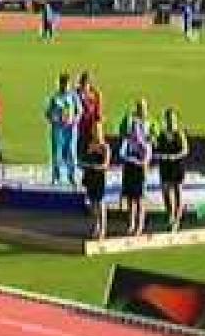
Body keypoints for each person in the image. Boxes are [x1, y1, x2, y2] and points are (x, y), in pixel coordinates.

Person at [119, 99, 154, 236]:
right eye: (133, 129)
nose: (135, 132)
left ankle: (140, 224)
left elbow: (148, 153)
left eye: (137, 130)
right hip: (129, 168)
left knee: (139, 197)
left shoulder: (144, 143)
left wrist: (142, 163)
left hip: (139, 168)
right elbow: (122, 153)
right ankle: (131, 223)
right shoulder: (128, 141)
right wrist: (130, 159)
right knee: (129, 197)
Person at [154, 108, 190, 232]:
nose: (170, 121)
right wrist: (159, 155)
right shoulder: (162, 134)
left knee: (177, 190)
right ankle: (170, 214)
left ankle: (177, 218)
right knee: (166, 191)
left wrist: (174, 156)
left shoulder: (179, 133)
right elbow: (156, 149)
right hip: (165, 166)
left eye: (172, 119)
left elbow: (185, 150)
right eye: (168, 118)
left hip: (177, 165)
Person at [45, 72, 83, 185]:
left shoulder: (73, 96)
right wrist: (54, 119)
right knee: (57, 154)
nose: (65, 86)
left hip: (71, 129)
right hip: (58, 129)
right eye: (63, 84)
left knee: (71, 152)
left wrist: (74, 120)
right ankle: (56, 176)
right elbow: (47, 113)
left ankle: (72, 176)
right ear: (60, 84)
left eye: (67, 84)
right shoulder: (55, 97)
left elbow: (80, 111)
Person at [81, 122, 111, 241]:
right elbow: (84, 159)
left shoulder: (105, 147)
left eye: (98, 130)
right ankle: (96, 225)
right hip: (90, 177)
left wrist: (94, 167)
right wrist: (84, 164)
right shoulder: (89, 145)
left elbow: (106, 164)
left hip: (99, 177)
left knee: (100, 202)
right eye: (94, 130)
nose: (96, 133)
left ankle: (103, 228)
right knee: (92, 203)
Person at [75, 72, 103, 162]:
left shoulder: (96, 93)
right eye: (82, 83)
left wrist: (97, 121)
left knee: (94, 141)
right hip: (79, 123)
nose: (84, 85)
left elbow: (98, 111)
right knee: (80, 142)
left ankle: (97, 158)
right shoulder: (75, 93)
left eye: (86, 83)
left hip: (91, 124)